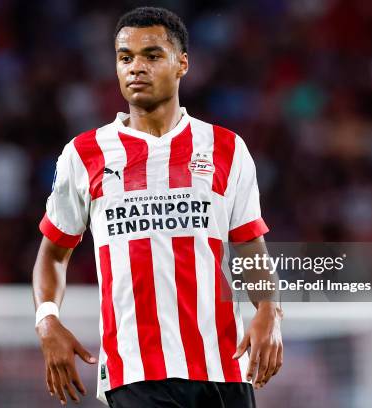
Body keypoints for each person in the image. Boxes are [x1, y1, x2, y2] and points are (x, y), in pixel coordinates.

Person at [32, 6, 283, 407]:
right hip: (134, 371)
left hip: (224, 368)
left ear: (182, 63)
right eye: (125, 57)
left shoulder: (226, 149)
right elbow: (53, 254)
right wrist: (47, 319)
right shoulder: (85, 154)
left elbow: (249, 246)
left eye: (151, 55)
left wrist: (269, 308)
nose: (136, 68)